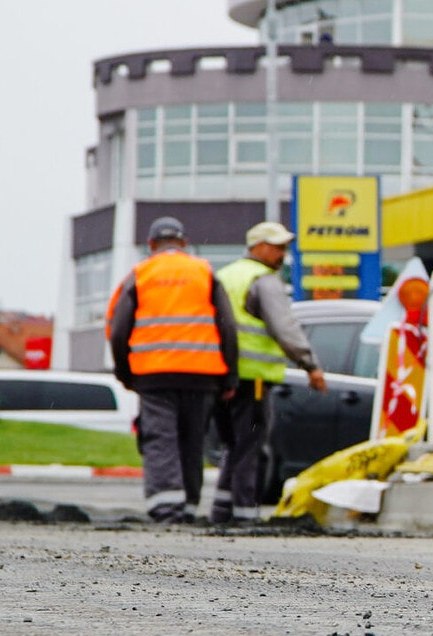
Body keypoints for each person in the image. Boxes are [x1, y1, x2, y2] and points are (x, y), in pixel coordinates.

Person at [106, 217, 238, 523]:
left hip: (154, 375)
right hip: (202, 374)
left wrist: (125, 372)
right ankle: (189, 506)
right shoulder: (204, 272)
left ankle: (167, 507)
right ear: (183, 242)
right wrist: (229, 375)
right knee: (192, 440)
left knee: (160, 438)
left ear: (151, 245)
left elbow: (118, 328)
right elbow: (227, 326)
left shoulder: (140, 274)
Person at [210, 221, 327, 523]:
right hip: (255, 377)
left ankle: (222, 510)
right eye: (277, 248)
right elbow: (285, 329)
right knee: (250, 446)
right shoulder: (264, 280)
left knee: (233, 445)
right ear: (258, 246)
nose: (282, 255)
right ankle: (245, 514)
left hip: (222, 376)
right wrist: (310, 365)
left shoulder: (224, 276)